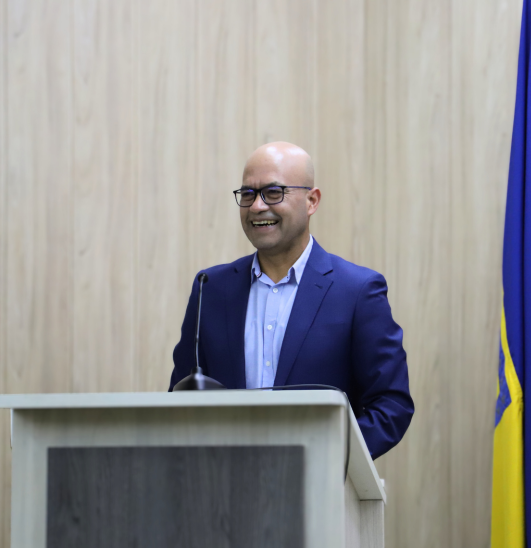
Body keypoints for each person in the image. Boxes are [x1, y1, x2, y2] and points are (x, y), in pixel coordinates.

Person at [168, 142, 413, 459]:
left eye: (273, 192)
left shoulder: (358, 291)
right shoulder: (210, 289)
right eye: (248, 194)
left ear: (312, 201)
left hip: (318, 481)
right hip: (223, 482)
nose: (257, 206)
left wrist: (324, 457)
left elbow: (391, 405)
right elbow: (180, 399)